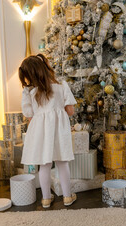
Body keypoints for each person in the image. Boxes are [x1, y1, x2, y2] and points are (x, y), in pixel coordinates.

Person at [19, 54, 77, 208]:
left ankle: (45, 199)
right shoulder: (61, 86)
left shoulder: (29, 92)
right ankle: (67, 197)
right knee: (62, 163)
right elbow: (70, 111)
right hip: (59, 131)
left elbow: (30, 116)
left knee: (44, 165)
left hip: (40, 132)